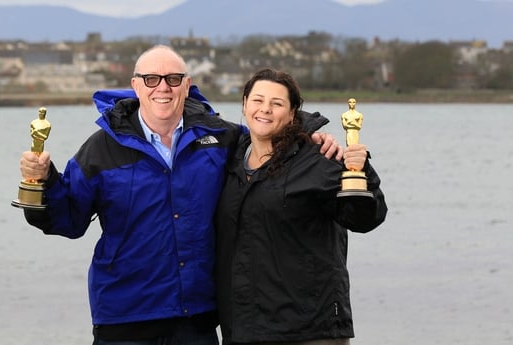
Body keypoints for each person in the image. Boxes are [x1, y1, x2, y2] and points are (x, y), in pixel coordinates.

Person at [18, 45, 342, 345]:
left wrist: (308, 135)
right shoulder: (102, 148)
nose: (163, 88)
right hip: (124, 318)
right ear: (136, 85)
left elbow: (268, 134)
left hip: (197, 321)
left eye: (173, 79)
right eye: (152, 79)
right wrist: (43, 181)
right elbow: (67, 219)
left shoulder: (221, 138)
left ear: (186, 85)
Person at [214, 68, 388, 345]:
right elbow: (173, 103)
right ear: (245, 104)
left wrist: (361, 170)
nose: (265, 109)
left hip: (309, 331)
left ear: (293, 112)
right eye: (258, 100)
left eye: (277, 103)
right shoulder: (230, 158)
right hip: (244, 329)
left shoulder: (319, 158)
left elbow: (366, 218)